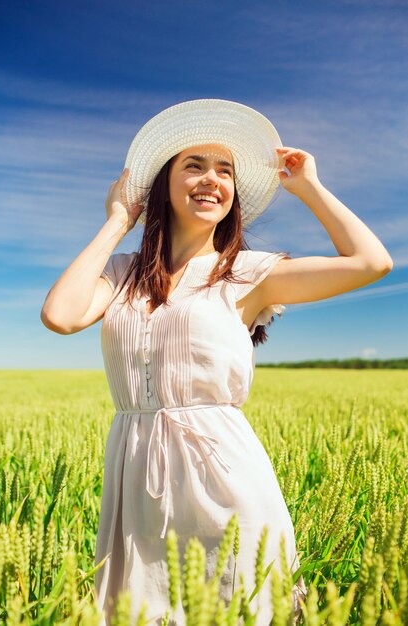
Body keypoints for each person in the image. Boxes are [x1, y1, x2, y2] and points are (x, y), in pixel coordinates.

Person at [40, 99, 393, 626]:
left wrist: (309, 188)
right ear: (164, 185)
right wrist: (118, 221)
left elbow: (372, 262)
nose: (212, 180)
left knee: (243, 604)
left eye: (224, 171)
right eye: (194, 166)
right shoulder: (121, 272)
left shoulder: (247, 273)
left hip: (225, 476)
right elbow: (61, 316)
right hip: (135, 478)